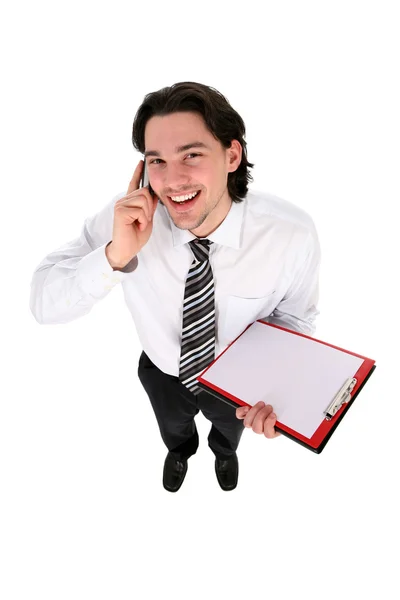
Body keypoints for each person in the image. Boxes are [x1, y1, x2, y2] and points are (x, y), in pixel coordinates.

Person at [30, 81, 321, 493]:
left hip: (237, 382)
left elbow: (294, 318)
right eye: (157, 161)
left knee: (227, 432)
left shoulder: (291, 233)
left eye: (192, 155)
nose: (173, 180)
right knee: (173, 427)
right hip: (163, 371)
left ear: (232, 155)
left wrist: (278, 393)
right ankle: (181, 450)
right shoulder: (127, 219)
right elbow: (43, 304)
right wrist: (115, 255)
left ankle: (223, 452)